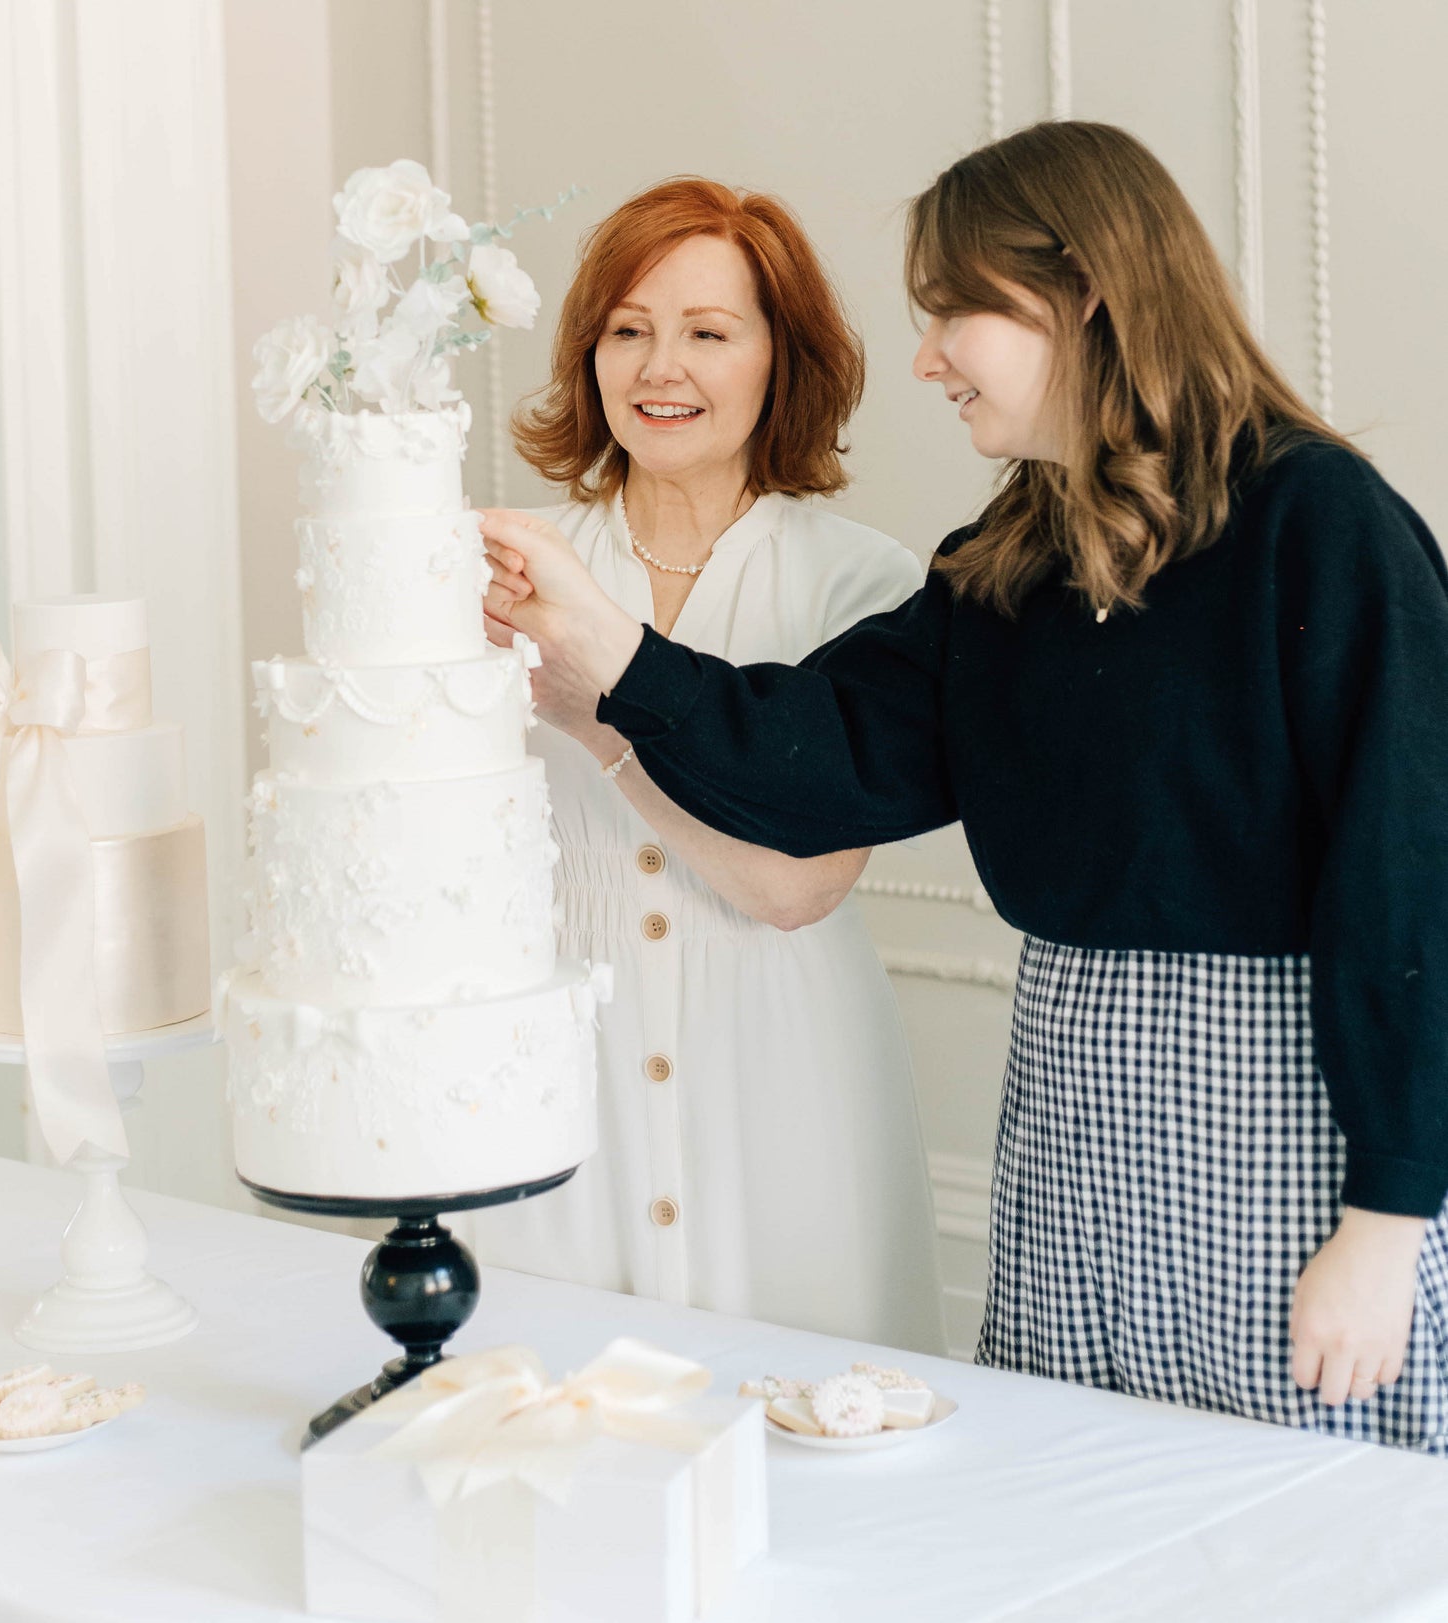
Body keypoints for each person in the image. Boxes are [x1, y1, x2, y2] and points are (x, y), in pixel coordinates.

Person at [480, 122, 1448, 1452]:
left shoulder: (1316, 518)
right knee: (1066, 1491)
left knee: (1300, 1512)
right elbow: (816, 751)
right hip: (1066, 1105)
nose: (927, 357)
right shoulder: (1011, 554)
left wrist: (1389, 1213)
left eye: (955, 313)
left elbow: (1412, 875)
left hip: (1285, 1118)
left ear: (1083, 293)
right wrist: (613, 654)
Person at [467, 177, 946, 1355]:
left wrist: (599, 722)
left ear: (783, 359)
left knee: (808, 1407)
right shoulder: (511, 566)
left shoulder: (860, 583)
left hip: (782, 1067)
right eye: (627, 330)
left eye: (708, 333)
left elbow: (793, 888)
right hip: (560, 1074)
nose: (659, 368)